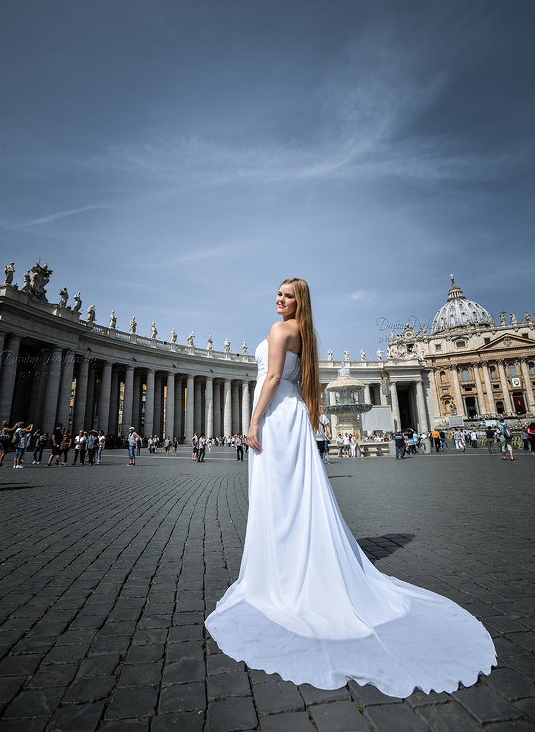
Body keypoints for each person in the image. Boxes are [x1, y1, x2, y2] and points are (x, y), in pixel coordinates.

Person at [205, 277, 496, 697]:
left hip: (274, 418)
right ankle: (297, 566)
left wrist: (252, 423)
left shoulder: (279, 329)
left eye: (287, 295)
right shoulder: (307, 334)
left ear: (297, 301)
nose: (279, 299)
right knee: (297, 500)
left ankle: (278, 576)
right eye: (279, 293)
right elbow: (301, 385)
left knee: (277, 501)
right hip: (295, 418)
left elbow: (269, 380)